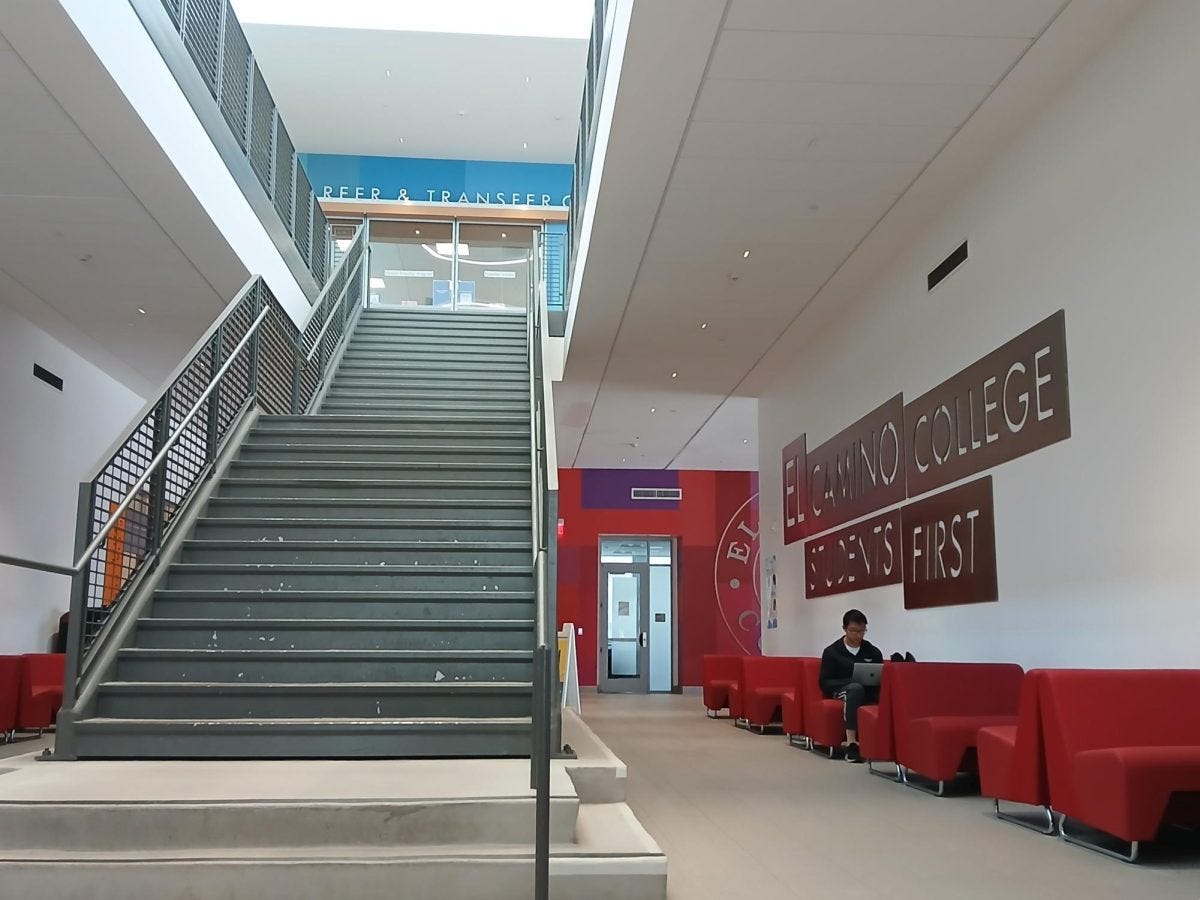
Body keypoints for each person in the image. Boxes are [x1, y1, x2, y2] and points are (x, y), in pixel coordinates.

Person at [819, 609, 883, 763]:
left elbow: (879, 674)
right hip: (841, 690)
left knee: (883, 690)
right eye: (854, 631)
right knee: (855, 689)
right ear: (844, 629)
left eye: (862, 631)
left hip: (868, 689)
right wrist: (851, 681)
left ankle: (884, 743)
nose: (858, 635)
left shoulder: (872, 651)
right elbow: (824, 682)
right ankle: (851, 742)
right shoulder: (832, 652)